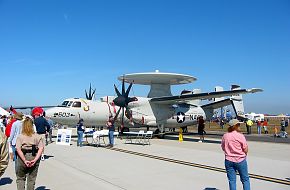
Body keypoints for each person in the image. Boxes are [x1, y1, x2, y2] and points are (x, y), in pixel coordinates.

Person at [15, 117, 44, 190]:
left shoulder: (20, 137)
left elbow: (18, 149)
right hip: (34, 155)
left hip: (23, 156)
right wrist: (35, 160)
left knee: (20, 178)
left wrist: (24, 160)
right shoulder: (38, 136)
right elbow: (41, 148)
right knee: (31, 179)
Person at [221, 119, 250, 190]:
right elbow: (245, 148)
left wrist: (228, 152)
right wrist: (244, 154)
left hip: (229, 160)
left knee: (232, 181)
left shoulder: (225, 136)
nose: (239, 126)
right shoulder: (240, 136)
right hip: (240, 160)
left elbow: (223, 147)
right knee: (245, 180)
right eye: (238, 125)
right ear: (235, 126)